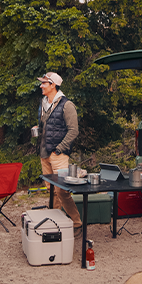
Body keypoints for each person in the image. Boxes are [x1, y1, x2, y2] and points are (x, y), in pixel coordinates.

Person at [36, 72, 80, 219]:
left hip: (58, 155)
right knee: (51, 190)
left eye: (44, 83)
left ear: (53, 85)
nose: (41, 85)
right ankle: (56, 220)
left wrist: (59, 149)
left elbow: (74, 131)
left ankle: (76, 222)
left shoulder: (67, 105)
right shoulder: (43, 103)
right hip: (44, 153)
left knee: (62, 191)